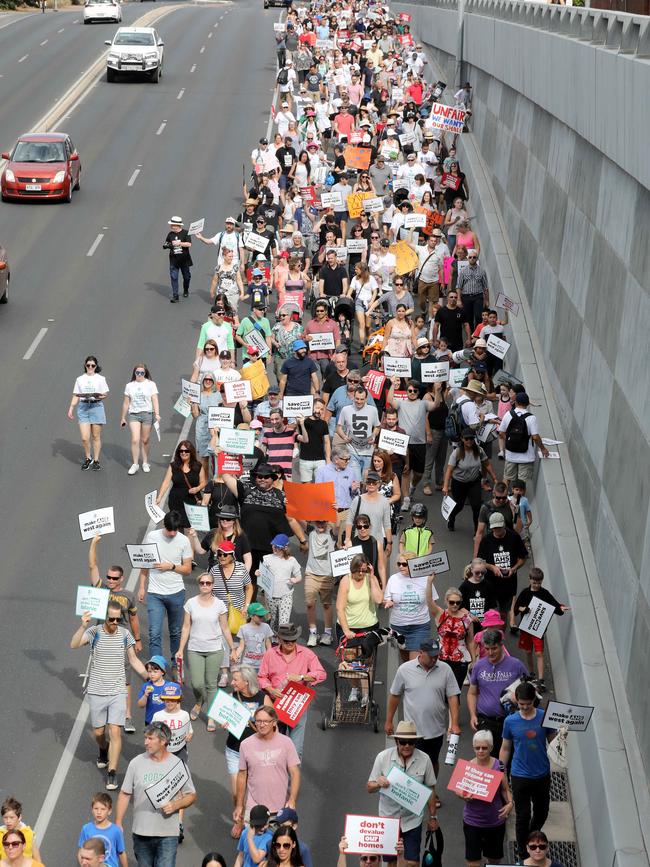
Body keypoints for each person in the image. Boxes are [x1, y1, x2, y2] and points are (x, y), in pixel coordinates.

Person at [70, 604, 148, 791]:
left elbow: (133, 660)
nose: (114, 623)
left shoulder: (124, 634)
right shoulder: (94, 632)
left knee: (115, 731)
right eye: (111, 619)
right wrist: (82, 625)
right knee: (99, 733)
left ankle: (112, 773)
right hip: (97, 691)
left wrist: (149, 677)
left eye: (118, 619)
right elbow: (73, 645)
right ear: (104, 618)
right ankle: (103, 749)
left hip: (117, 691)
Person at [115, 722, 196, 866]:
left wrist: (175, 804)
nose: (146, 742)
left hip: (168, 834)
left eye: (150, 738)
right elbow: (125, 793)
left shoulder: (179, 765)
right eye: (145, 738)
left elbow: (191, 795)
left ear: (163, 741)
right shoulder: (136, 763)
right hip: (141, 833)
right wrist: (118, 822)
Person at [88, 535, 141, 733]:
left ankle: (126, 716)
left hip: (122, 641)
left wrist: (137, 639)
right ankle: (105, 708)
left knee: (125, 679)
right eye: (108, 577)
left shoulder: (128, 596)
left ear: (121, 579)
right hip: (101, 640)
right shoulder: (100, 590)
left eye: (114, 578)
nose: (109, 580)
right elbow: (93, 566)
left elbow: (134, 618)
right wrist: (94, 543)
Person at [367, 721, 438, 867]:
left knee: (412, 862)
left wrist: (433, 817)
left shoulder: (424, 759)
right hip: (388, 819)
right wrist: (378, 783)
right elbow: (369, 787)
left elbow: (430, 789)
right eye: (403, 742)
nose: (407, 746)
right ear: (396, 741)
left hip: (412, 820)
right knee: (391, 862)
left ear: (415, 742)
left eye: (411, 742)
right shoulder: (382, 757)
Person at [386, 640, 461, 778]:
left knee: (432, 762)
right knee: (410, 762)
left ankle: (431, 792)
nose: (434, 659)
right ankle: (413, 794)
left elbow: (452, 697)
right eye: (431, 656)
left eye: (436, 656)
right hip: (412, 732)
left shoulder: (445, 669)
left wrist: (454, 724)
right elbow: (395, 695)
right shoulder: (404, 670)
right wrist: (389, 721)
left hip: (436, 730)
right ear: (420, 653)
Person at [500, 682, 556, 859]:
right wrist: (501, 769)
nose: (524, 707)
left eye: (528, 704)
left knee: (542, 812)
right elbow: (506, 747)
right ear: (517, 700)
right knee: (522, 816)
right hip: (519, 775)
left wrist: (562, 736)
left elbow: (553, 741)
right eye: (521, 704)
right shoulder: (510, 721)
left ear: (534, 701)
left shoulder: (544, 717)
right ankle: (524, 853)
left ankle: (531, 838)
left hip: (541, 774)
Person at [258, 623, 326, 758]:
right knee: (275, 748)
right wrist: (270, 689)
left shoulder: (306, 654)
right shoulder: (270, 654)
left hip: (297, 704)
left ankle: (293, 779)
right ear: (279, 639)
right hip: (275, 704)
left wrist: (302, 677)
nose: (290, 643)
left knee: (296, 750)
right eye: (287, 641)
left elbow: (321, 673)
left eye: (293, 640)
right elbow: (261, 677)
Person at [177, 571, 233, 729]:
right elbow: (186, 627)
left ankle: (211, 717)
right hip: (195, 649)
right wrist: (181, 648)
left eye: (208, 583)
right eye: (202, 583)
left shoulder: (219, 604)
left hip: (215, 649)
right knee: (196, 684)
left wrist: (232, 648)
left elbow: (225, 628)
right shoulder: (191, 603)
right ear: (199, 584)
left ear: (212, 585)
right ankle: (199, 701)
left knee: (211, 684)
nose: (205, 585)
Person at [223, 668, 273, 840]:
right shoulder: (231, 696)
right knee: (237, 792)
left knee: (255, 791)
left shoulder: (263, 698)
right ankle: (239, 820)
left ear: (247, 682)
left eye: (236, 680)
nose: (232, 683)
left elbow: (274, 723)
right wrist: (226, 723)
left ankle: (255, 822)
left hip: (257, 752)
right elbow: (224, 717)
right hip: (234, 750)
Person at [139, 510, 193, 667]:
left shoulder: (184, 541)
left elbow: (188, 569)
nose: (172, 533)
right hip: (155, 593)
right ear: (164, 525)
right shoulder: (152, 537)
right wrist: (142, 586)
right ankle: (157, 667)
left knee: (175, 632)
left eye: (176, 530)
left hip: (176, 592)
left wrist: (172, 566)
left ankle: (176, 665)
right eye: (170, 529)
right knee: (154, 632)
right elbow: (144, 562)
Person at [455, 731, 513, 867]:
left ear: (491, 748)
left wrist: (510, 803)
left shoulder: (499, 766)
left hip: (495, 821)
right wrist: (462, 796)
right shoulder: (467, 766)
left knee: (494, 861)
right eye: (477, 748)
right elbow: (458, 789)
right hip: (472, 821)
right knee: (473, 863)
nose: (480, 751)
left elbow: (505, 789)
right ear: (473, 747)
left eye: (484, 748)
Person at [467, 628, 528, 756]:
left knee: (509, 758)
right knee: (487, 761)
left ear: (501, 645)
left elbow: (531, 689)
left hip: (511, 720)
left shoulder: (516, 665)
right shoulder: (479, 666)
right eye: (487, 649)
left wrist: (518, 698)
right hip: (485, 721)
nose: (490, 652)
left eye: (494, 648)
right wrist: (473, 715)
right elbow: (472, 693)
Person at [234, 706, 300, 822]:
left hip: (281, 807)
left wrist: (292, 799)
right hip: (254, 807)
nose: (261, 724)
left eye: (266, 721)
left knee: (278, 840)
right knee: (252, 839)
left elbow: (295, 773)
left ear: (274, 723)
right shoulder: (246, 744)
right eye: (258, 721)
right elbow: (242, 775)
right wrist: (239, 805)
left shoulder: (286, 743)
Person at [513, 567, 569, 692]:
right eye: (535, 582)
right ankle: (531, 674)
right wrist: (523, 609)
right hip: (526, 628)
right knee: (528, 651)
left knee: (539, 653)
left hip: (538, 629)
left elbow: (555, 605)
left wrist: (561, 608)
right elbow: (517, 608)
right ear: (530, 580)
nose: (537, 585)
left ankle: (541, 680)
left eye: (539, 583)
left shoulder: (544, 593)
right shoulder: (525, 593)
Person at [477, 512, 528, 627]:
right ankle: (489, 637)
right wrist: (492, 567)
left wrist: (514, 568)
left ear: (504, 525)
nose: (497, 531)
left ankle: (500, 637)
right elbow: (480, 561)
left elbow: (523, 558)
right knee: (490, 613)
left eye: (499, 528)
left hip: (508, 583)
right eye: (494, 528)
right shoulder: (486, 540)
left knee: (503, 613)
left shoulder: (514, 537)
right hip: (490, 583)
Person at [442, 429, 497, 532]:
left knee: (476, 506)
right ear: (462, 439)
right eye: (466, 439)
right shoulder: (457, 453)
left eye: (471, 438)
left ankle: (477, 532)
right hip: (458, 483)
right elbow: (449, 470)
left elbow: (487, 464)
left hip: (474, 482)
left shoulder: (479, 450)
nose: (469, 441)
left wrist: (494, 478)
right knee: (459, 505)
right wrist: (445, 486)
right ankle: (452, 517)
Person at [426, 584, 475, 689]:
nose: (455, 605)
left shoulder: (467, 619)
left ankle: (452, 706)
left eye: (458, 602)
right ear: (446, 601)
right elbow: (429, 601)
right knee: (439, 689)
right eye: (452, 602)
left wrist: (474, 660)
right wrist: (429, 582)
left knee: (455, 691)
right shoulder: (440, 614)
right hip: (440, 658)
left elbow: (471, 641)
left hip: (460, 660)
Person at [384, 553, 431, 662]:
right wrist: (389, 602)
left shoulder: (425, 578)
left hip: (419, 627)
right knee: (405, 662)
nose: (401, 567)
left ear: (413, 564)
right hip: (399, 627)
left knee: (414, 664)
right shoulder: (393, 579)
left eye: (404, 564)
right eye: (399, 564)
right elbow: (387, 598)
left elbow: (432, 600)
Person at [498, 392, 550, 489]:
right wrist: (543, 448)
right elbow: (535, 437)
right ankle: (518, 502)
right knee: (521, 484)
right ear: (528, 403)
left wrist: (509, 441)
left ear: (516, 402)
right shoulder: (531, 418)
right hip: (526, 456)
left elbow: (501, 433)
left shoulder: (508, 415)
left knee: (507, 478)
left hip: (510, 454)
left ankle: (502, 498)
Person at [68, 355, 109, 470]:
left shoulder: (101, 379)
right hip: (83, 407)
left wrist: (98, 396)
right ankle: (88, 458)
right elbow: (76, 394)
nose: (90, 367)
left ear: (96, 366)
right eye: (88, 365)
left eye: (93, 365)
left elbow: (105, 394)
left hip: (96, 406)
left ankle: (96, 460)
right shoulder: (80, 379)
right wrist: (71, 408)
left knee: (96, 436)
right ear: (85, 366)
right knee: (85, 438)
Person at [156, 441, 207, 531]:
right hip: (175, 501)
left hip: (191, 502)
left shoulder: (197, 466)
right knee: (177, 527)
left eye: (186, 451)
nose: (184, 453)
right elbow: (166, 482)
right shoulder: (174, 466)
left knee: (190, 528)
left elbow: (203, 482)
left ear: (191, 452)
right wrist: (159, 497)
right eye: (181, 451)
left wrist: (198, 488)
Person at [344, 471, 392, 565]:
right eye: (368, 482)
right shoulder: (358, 500)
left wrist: (389, 543)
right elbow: (349, 520)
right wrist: (347, 539)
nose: (371, 484)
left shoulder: (384, 502)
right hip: (358, 542)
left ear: (379, 484)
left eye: (373, 482)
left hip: (376, 543)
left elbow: (387, 524)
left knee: (376, 571)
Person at [120, 364, 160, 475]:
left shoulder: (151, 384)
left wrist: (157, 414)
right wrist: (123, 417)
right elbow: (126, 403)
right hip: (134, 414)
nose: (139, 375)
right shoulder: (129, 386)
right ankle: (135, 464)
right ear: (134, 373)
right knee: (135, 439)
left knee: (145, 439)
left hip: (147, 414)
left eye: (142, 373)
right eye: (137, 372)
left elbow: (155, 399)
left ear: (145, 373)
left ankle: (145, 462)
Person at [315, 446, 360, 544]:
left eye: (349, 459)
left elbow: (355, 495)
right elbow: (318, 493)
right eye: (345, 459)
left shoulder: (351, 471)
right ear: (336, 459)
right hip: (329, 513)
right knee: (328, 544)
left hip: (345, 513)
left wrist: (354, 490)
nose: (348, 461)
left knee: (343, 545)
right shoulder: (322, 471)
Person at [258, 534, 302, 631]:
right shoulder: (267, 558)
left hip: (286, 595)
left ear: (285, 548)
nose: (274, 548)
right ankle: (273, 639)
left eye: (277, 547)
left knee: (283, 622)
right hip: (271, 595)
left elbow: (299, 576)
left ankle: (283, 641)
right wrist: (258, 573)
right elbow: (262, 573)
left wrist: (295, 579)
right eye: (273, 545)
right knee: (274, 620)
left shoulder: (292, 561)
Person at [336, 386, 380, 477]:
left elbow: (377, 427)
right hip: (352, 451)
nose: (359, 401)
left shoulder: (373, 410)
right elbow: (339, 427)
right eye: (357, 399)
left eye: (362, 399)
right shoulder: (346, 409)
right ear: (353, 397)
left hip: (368, 452)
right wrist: (344, 437)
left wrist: (373, 436)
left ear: (366, 399)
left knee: (365, 481)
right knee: (356, 481)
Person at [78, 793, 127, 867]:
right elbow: (81, 851)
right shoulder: (86, 829)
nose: (99, 812)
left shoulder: (116, 830)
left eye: (103, 809)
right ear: (92, 810)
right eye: (96, 808)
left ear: (109, 811)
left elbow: (121, 852)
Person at [473, 481, 516, 555]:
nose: (501, 500)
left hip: (508, 543)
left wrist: (514, 512)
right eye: (498, 498)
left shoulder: (512, 506)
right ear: (493, 494)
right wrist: (475, 555)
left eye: (504, 498)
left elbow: (517, 530)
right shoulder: (485, 508)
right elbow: (479, 532)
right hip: (492, 543)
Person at [296, 399, 330, 482]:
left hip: (320, 460)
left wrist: (328, 459)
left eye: (322, 409)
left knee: (320, 486)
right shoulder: (303, 421)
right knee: (306, 488)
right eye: (317, 408)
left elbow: (327, 442)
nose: (319, 411)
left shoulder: (323, 423)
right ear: (311, 407)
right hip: (305, 460)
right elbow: (296, 435)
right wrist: (299, 423)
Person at [233, 604, 274, 671]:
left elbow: (268, 644)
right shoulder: (243, 628)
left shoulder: (266, 627)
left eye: (263, 615)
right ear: (251, 616)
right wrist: (236, 655)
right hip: (247, 665)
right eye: (260, 616)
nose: (262, 618)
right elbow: (241, 646)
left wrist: (270, 658)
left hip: (262, 664)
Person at [459, 558, 498, 624]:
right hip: (469, 622)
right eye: (477, 572)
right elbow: (459, 606)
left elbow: (492, 605)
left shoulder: (488, 585)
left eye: (482, 573)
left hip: (484, 622)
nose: (480, 575)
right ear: (471, 570)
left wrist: (489, 619)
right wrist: (470, 615)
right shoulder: (464, 586)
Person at [163, 216, 193, 302]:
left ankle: (186, 289)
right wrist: (167, 245)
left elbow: (189, 244)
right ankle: (175, 296)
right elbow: (167, 243)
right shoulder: (170, 234)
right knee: (174, 277)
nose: (171, 226)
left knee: (186, 277)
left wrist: (179, 243)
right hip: (174, 260)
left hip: (184, 260)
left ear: (178, 225)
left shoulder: (186, 233)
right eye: (171, 225)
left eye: (173, 225)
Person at [137, 656, 171, 726]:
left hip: (166, 721)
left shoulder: (169, 687)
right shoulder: (146, 686)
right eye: (149, 671)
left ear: (162, 672)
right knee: (150, 737)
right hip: (150, 721)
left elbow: (175, 704)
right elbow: (140, 705)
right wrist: (145, 695)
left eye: (155, 671)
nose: (152, 674)